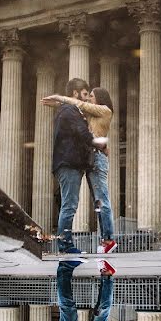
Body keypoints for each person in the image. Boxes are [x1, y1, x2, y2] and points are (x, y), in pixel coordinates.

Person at [43, 86, 118, 255]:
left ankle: (109, 239)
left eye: (91, 96)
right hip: (91, 158)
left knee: (101, 199)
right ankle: (104, 240)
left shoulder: (105, 110)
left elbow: (79, 106)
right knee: (97, 202)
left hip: (97, 158)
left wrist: (60, 97)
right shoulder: (92, 114)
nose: (88, 99)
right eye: (87, 95)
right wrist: (57, 104)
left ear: (100, 98)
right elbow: (75, 111)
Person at [52, 78, 98, 255]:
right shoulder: (70, 110)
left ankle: (66, 243)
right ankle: (65, 245)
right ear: (75, 94)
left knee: (69, 204)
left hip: (69, 163)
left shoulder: (68, 110)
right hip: (68, 163)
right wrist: (99, 143)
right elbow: (83, 133)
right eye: (85, 94)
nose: (86, 98)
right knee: (69, 205)